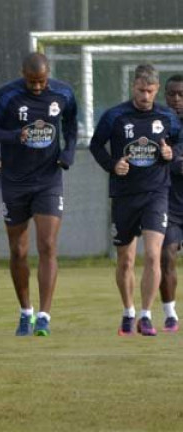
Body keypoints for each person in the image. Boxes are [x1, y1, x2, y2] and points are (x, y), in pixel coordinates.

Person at [0, 52, 77, 337]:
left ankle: (45, 317)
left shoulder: (63, 93)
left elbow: (71, 125)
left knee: (47, 244)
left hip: (48, 180)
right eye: (32, 82)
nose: (37, 87)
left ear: (48, 74)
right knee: (18, 250)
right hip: (14, 181)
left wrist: (68, 153)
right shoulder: (6, 95)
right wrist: (15, 136)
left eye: (41, 81)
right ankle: (26, 312)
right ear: (22, 73)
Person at [90, 64, 180, 336]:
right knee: (125, 260)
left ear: (156, 90)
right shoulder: (115, 116)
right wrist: (112, 164)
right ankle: (128, 311)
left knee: (154, 255)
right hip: (125, 195)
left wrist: (170, 153)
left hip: (156, 193)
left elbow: (179, 142)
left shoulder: (166, 116)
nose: (145, 96)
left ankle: (146, 315)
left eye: (150, 91)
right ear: (133, 88)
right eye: (141, 90)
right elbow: (96, 145)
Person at [159, 74, 183, 332]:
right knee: (166, 255)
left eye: (181, 95)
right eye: (172, 94)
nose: (177, 100)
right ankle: (170, 314)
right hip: (169, 203)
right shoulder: (159, 124)